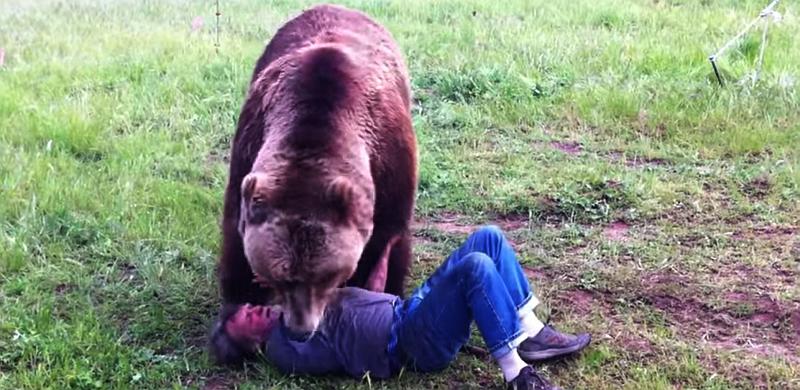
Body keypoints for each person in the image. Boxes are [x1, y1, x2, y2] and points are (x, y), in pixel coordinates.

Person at [210, 226, 591, 389]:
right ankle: (516, 375)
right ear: (249, 346)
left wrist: (386, 247)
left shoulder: (296, 311)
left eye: (245, 307)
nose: (250, 309)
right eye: (242, 319)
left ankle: (532, 333)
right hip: (411, 343)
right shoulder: (283, 344)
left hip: (410, 311)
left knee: (486, 239)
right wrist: (283, 278)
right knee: (476, 269)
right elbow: (305, 302)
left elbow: (371, 295)